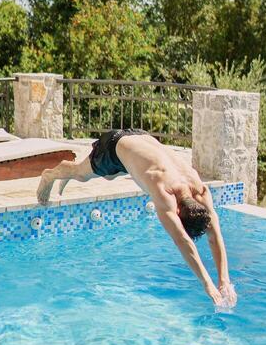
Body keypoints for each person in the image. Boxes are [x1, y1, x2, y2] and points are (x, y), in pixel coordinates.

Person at [37, 129, 237, 307]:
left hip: (140, 137)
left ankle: (71, 173)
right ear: (177, 213)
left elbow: (214, 234)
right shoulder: (163, 190)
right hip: (114, 145)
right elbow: (182, 240)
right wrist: (207, 283)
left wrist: (224, 280)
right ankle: (53, 174)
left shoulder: (200, 190)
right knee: (82, 174)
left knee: (108, 176)